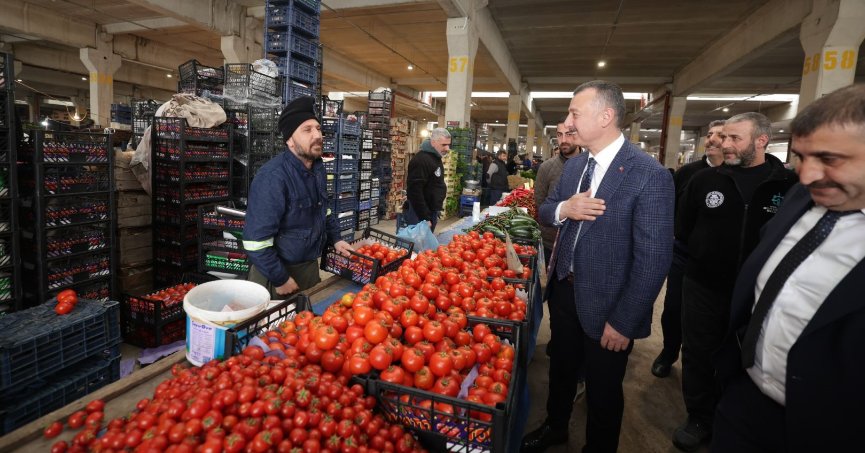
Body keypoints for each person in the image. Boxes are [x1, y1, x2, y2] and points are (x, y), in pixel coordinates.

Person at [711, 84, 865, 453]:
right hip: (745, 400)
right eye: (800, 156)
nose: (808, 174)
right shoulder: (799, 196)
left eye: (829, 159)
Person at [523, 80, 674, 453]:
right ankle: (556, 426)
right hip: (564, 292)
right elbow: (544, 209)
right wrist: (565, 209)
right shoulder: (575, 168)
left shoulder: (648, 175)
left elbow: (653, 259)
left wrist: (625, 320)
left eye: (575, 113)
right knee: (560, 370)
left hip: (610, 305)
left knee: (604, 392)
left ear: (606, 116)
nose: (569, 122)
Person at [673, 112, 796, 451]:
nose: (724, 144)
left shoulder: (787, 186)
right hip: (703, 284)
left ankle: (732, 415)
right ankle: (699, 416)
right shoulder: (704, 181)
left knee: (746, 354)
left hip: (759, 292)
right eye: (723, 137)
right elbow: (683, 231)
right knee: (698, 350)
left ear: (761, 140)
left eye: (734, 138)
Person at [243, 96, 353, 297]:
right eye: (307, 130)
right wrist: (280, 278)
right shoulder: (273, 177)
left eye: (318, 128)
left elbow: (323, 209)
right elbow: (255, 242)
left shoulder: (318, 168)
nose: (317, 135)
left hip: (309, 266)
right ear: (290, 141)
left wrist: (336, 239)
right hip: (275, 275)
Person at [652, 120, 726, 378]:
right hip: (683, 255)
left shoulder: (735, 176)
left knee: (713, 319)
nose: (712, 139)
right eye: (709, 134)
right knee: (673, 308)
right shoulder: (688, 173)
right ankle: (668, 352)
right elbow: (668, 210)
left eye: (719, 134)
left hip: (722, 263)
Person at [534, 119, 580, 260]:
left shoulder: (591, 164)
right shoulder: (546, 168)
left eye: (569, 134)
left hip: (579, 244)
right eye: (559, 135)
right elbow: (540, 206)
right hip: (550, 243)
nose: (563, 140)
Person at [403, 127, 450, 232]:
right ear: (433, 142)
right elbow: (415, 191)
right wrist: (424, 217)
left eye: (448, 144)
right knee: (417, 246)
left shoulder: (435, 158)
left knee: (425, 246)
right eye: (444, 145)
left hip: (430, 211)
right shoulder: (421, 160)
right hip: (419, 214)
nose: (447, 148)